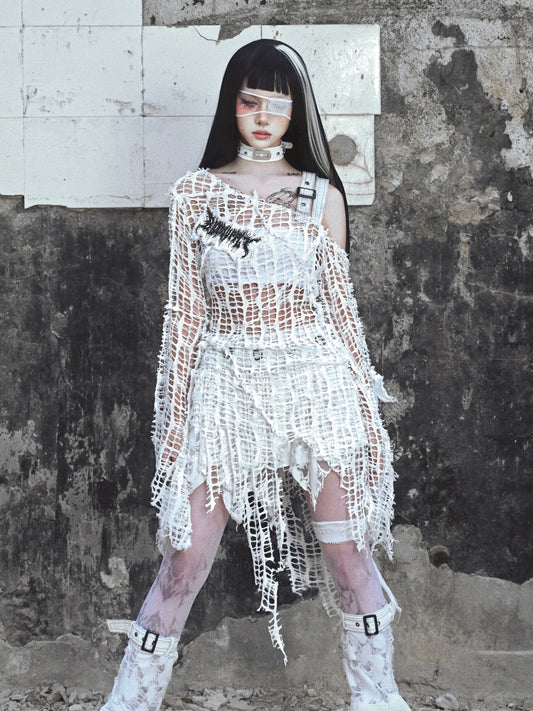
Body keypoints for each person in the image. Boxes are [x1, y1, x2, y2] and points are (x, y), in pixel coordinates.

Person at [100, 38, 410, 711]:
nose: (264, 115)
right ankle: (129, 701)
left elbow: (340, 313)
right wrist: (172, 428)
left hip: (314, 382)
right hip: (225, 383)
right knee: (185, 555)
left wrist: (366, 419)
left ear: (297, 111)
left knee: (347, 552)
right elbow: (184, 318)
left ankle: (378, 697)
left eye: (278, 102)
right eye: (250, 100)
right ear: (231, 106)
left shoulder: (319, 195)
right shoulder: (196, 196)